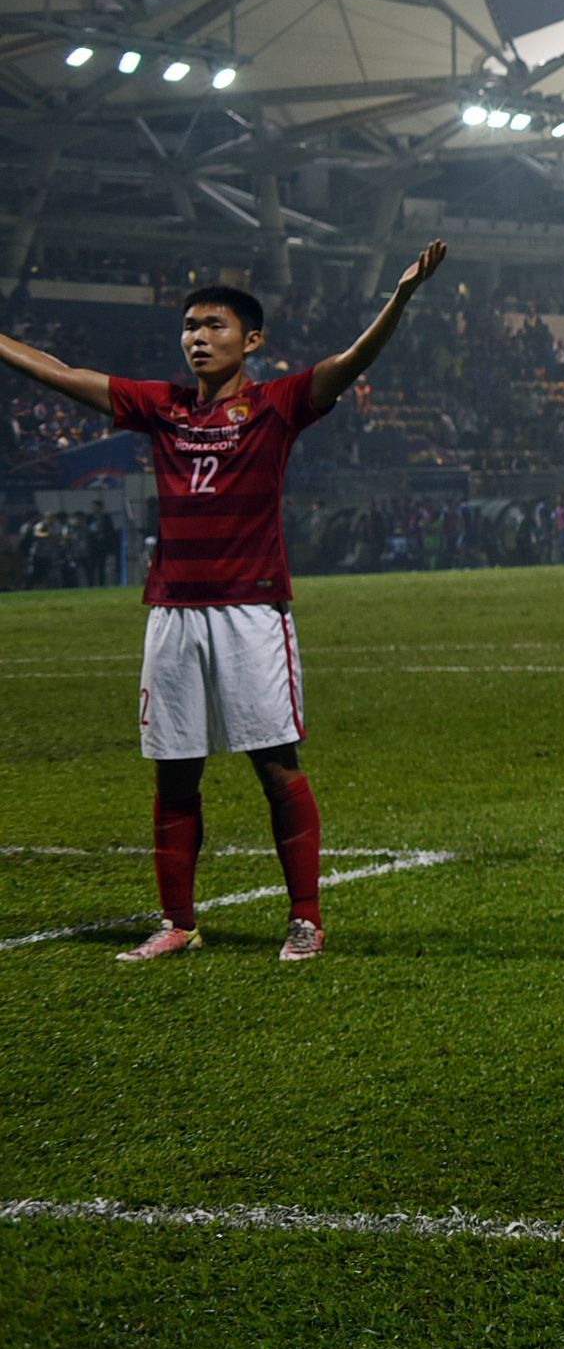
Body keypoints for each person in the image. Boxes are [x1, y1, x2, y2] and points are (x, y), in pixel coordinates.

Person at [0, 245, 449, 962]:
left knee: (276, 765)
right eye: (189, 326)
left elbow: (351, 362)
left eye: (213, 325)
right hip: (172, 614)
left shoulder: (276, 405)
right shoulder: (162, 407)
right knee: (175, 770)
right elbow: (62, 375)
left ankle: (306, 918)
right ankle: (178, 922)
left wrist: (399, 298)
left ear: (252, 340)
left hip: (250, 612)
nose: (197, 337)